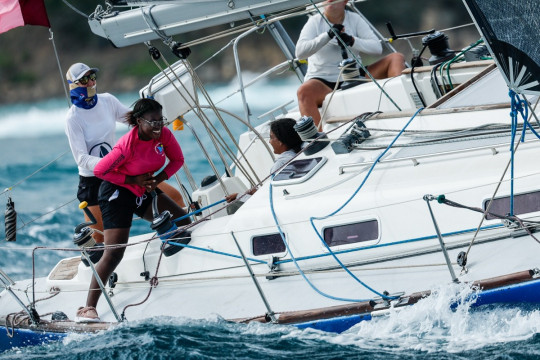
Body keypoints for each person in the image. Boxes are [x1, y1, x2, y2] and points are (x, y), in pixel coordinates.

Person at [75, 98, 191, 322]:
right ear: (139, 121)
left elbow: (178, 159)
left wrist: (158, 180)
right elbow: (100, 170)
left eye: (161, 120)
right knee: (115, 251)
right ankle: (88, 307)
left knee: (185, 221)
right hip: (116, 193)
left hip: (141, 189)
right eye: (153, 122)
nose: (158, 126)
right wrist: (132, 178)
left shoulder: (164, 135)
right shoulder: (127, 144)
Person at [65, 63, 186, 243]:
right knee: (99, 240)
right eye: (84, 80)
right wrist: (108, 164)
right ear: (74, 84)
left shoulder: (107, 101)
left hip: (121, 170)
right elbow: (81, 159)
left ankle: (183, 235)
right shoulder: (73, 118)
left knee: (174, 197)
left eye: (92, 77)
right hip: (93, 180)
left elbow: (133, 121)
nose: (90, 83)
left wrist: (154, 122)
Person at [295, 0, 406, 126]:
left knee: (396, 58)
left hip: (356, 76)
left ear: (345, 2)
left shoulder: (355, 19)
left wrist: (352, 40)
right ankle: (317, 141)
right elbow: (300, 52)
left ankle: (404, 109)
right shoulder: (314, 22)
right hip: (324, 82)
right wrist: (328, 35)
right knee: (303, 91)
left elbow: (377, 48)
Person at [225, 118, 303, 208]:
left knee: (232, 207)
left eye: (271, 137)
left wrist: (238, 196)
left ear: (280, 141)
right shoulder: (302, 152)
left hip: (285, 205)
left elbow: (269, 199)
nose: (269, 141)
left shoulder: (280, 164)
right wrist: (257, 192)